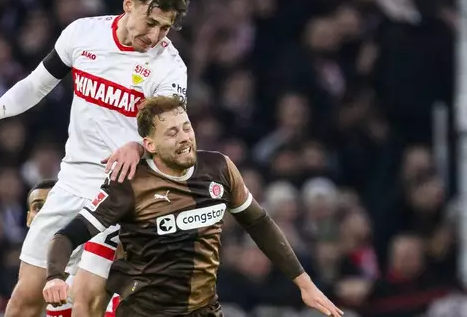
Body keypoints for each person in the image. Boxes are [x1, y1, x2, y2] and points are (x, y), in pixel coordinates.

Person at [0, 0, 191, 317]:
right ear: (129, 3)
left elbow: (173, 136)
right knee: (25, 300)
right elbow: (39, 82)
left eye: (165, 28)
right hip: (70, 183)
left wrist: (137, 145)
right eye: (151, 22)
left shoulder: (169, 68)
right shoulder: (83, 34)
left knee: (86, 300)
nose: (155, 36)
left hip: (121, 193)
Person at [43, 96, 344, 317]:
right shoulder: (130, 184)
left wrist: (304, 283)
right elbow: (67, 235)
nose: (185, 138)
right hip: (146, 312)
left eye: (186, 127)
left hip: (205, 310)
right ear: (149, 145)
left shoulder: (220, 169)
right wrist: (55, 275)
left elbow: (259, 223)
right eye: (172, 133)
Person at [26, 180, 120, 317]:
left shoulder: (97, 269)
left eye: (56, 207)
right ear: (28, 218)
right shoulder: (25, 282)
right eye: (39, 207)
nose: (48, 216)